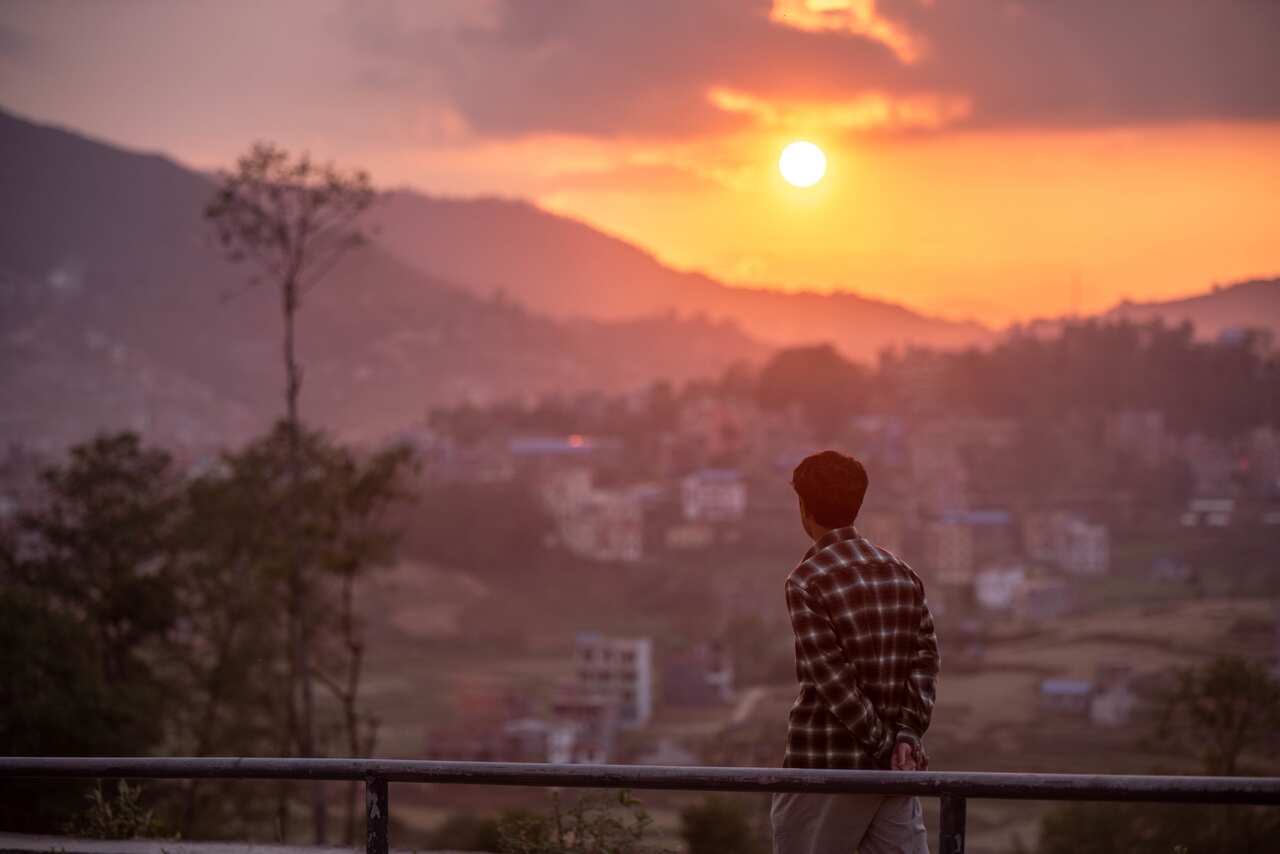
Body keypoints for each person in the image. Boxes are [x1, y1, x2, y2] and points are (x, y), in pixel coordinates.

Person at [772, 450, 940, 854]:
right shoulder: (902, 573)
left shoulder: (806, 581)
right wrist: (905, 737)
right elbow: (925, 661)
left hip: (824, 764)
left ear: (804, 508)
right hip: (895, 771)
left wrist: (885, 746)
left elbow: (832, 680)